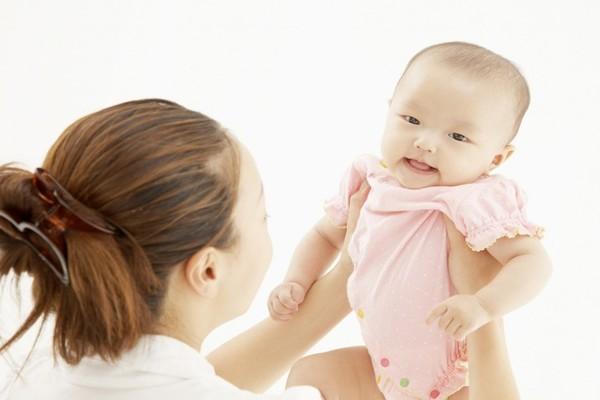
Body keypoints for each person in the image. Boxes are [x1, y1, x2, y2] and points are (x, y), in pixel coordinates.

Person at [0, 98, 519, 400]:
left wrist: (352, 269)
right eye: (262, 216)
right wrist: (483, 308)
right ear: (207, 270)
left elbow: (193, 382)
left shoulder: (35, 373)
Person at [267, 42, 553, 399]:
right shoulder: (369, 180)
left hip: (453, 378)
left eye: (458, 136)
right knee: (310, 373)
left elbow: (532, 261)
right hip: (384, 366)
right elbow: (324, 237)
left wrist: (484, 305)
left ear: (495, 158)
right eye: (412, 119)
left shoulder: (474, 200)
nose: (425, 142)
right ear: (390, 111)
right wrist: (296, 280)